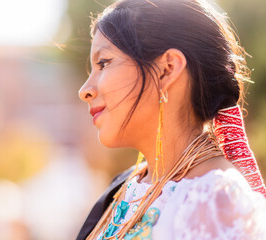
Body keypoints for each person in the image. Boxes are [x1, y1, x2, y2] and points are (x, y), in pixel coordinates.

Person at [76, 0, 266, 239]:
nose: (85, 90)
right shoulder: (126, 188)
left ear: (167, 69)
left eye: (104, 63)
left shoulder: (216, 199)